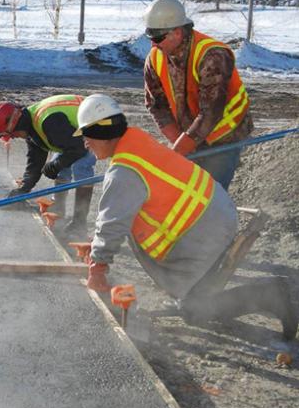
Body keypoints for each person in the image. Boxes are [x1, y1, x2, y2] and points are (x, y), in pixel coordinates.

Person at [70, 93, 297, 341]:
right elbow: (117, 216)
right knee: (192, 298)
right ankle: (262, 293)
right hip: (213, 210)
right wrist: (99, 251)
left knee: (195, 311)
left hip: (206, 228)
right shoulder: (135, 140)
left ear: (103, 134)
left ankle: (273, 294)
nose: (86, 144)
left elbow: (113, 222)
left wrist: (98, 268)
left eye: (87, 136)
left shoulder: (124, 171)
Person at [142, 0, 253, 190]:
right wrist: (179, 142)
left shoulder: (212, 55)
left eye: (158, 38)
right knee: (183, 191)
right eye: (150, 38)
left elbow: (211, 112)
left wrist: (182, 147)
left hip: (224, 134)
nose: (154, 45)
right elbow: (156, 106)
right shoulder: (154, 59)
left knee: (210, 194)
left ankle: (218, 217)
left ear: (177, 33)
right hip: (191, 133)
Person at [0, 94, 96, 233]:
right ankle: (59, 210)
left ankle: (80, 223)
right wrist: (23, 190)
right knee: (61, 165)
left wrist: (56, 164)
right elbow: (35, 162)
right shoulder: (31, 128)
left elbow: (79, 148)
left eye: (12, 134)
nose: (14, 137)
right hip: (73, 134)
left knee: (81, 167)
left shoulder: (49, 123)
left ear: (16, 124)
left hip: (96, 125)